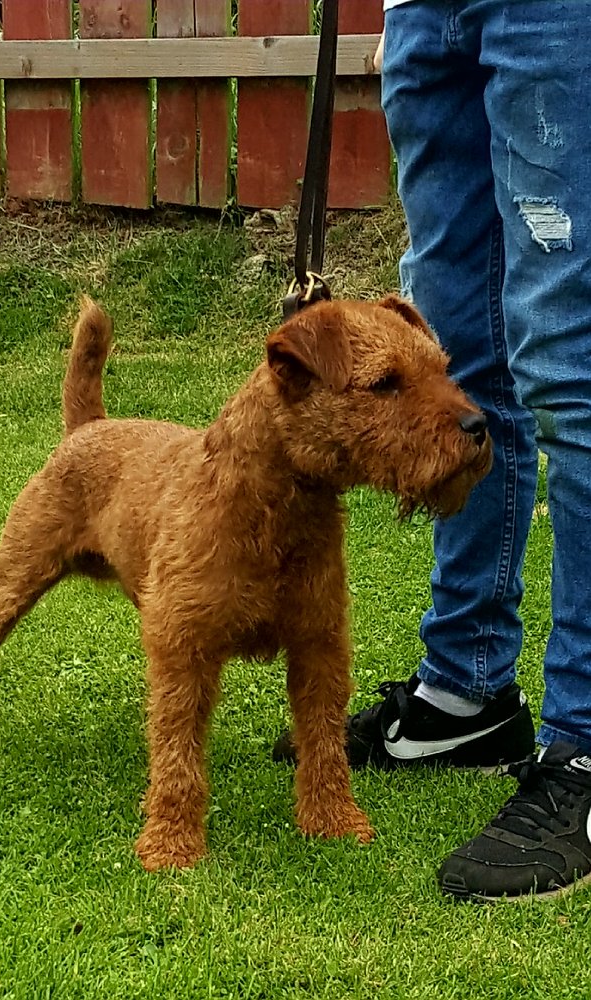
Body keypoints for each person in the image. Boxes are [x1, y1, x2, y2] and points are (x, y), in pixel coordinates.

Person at [277, 0, 591, 901]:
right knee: (457, 363)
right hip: (424, 15)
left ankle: (583, 747)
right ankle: (466, 696)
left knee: (571, 366)